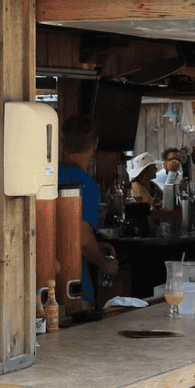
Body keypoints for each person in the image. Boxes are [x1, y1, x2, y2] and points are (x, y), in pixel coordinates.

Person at [58, 115, 118, 307]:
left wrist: (98, 245)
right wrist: (104, 263)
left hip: (44, 280)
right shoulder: (87, 185)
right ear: (95, 142)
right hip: (74, 285)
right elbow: (82, 237)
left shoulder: (48, 174)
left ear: (61, 142)